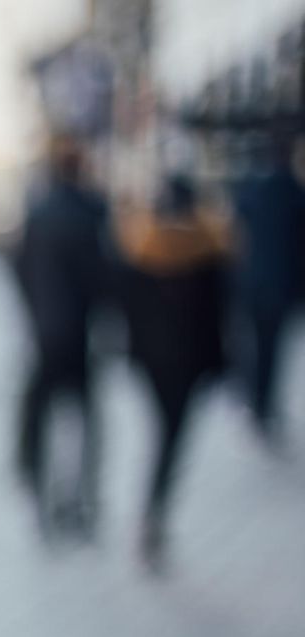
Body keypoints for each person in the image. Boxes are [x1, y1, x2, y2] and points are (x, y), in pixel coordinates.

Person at [116, 175, 228, 572]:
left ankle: (154, 507)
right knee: (172, 435)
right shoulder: (208, 248)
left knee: (163, 431)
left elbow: (124, 309)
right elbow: (220, 314)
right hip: (188, 362)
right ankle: (156, 507)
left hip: (152, 360)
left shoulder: (138, 245)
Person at [13, 135, 112, 539]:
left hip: (44, 333)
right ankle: (80, 498)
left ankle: (40, 491)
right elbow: (102, 276)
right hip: (79, 334)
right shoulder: (91, 212)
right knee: (85, 419)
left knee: (43, 417)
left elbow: (18, 268)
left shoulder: (38, 214)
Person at [231, 133, 305, 443]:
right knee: (270, 348)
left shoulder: (251, 187)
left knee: (256, 344)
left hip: (254, 283)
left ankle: (256, 399)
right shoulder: (292, 190)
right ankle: (263, 402)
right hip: (279, 286)